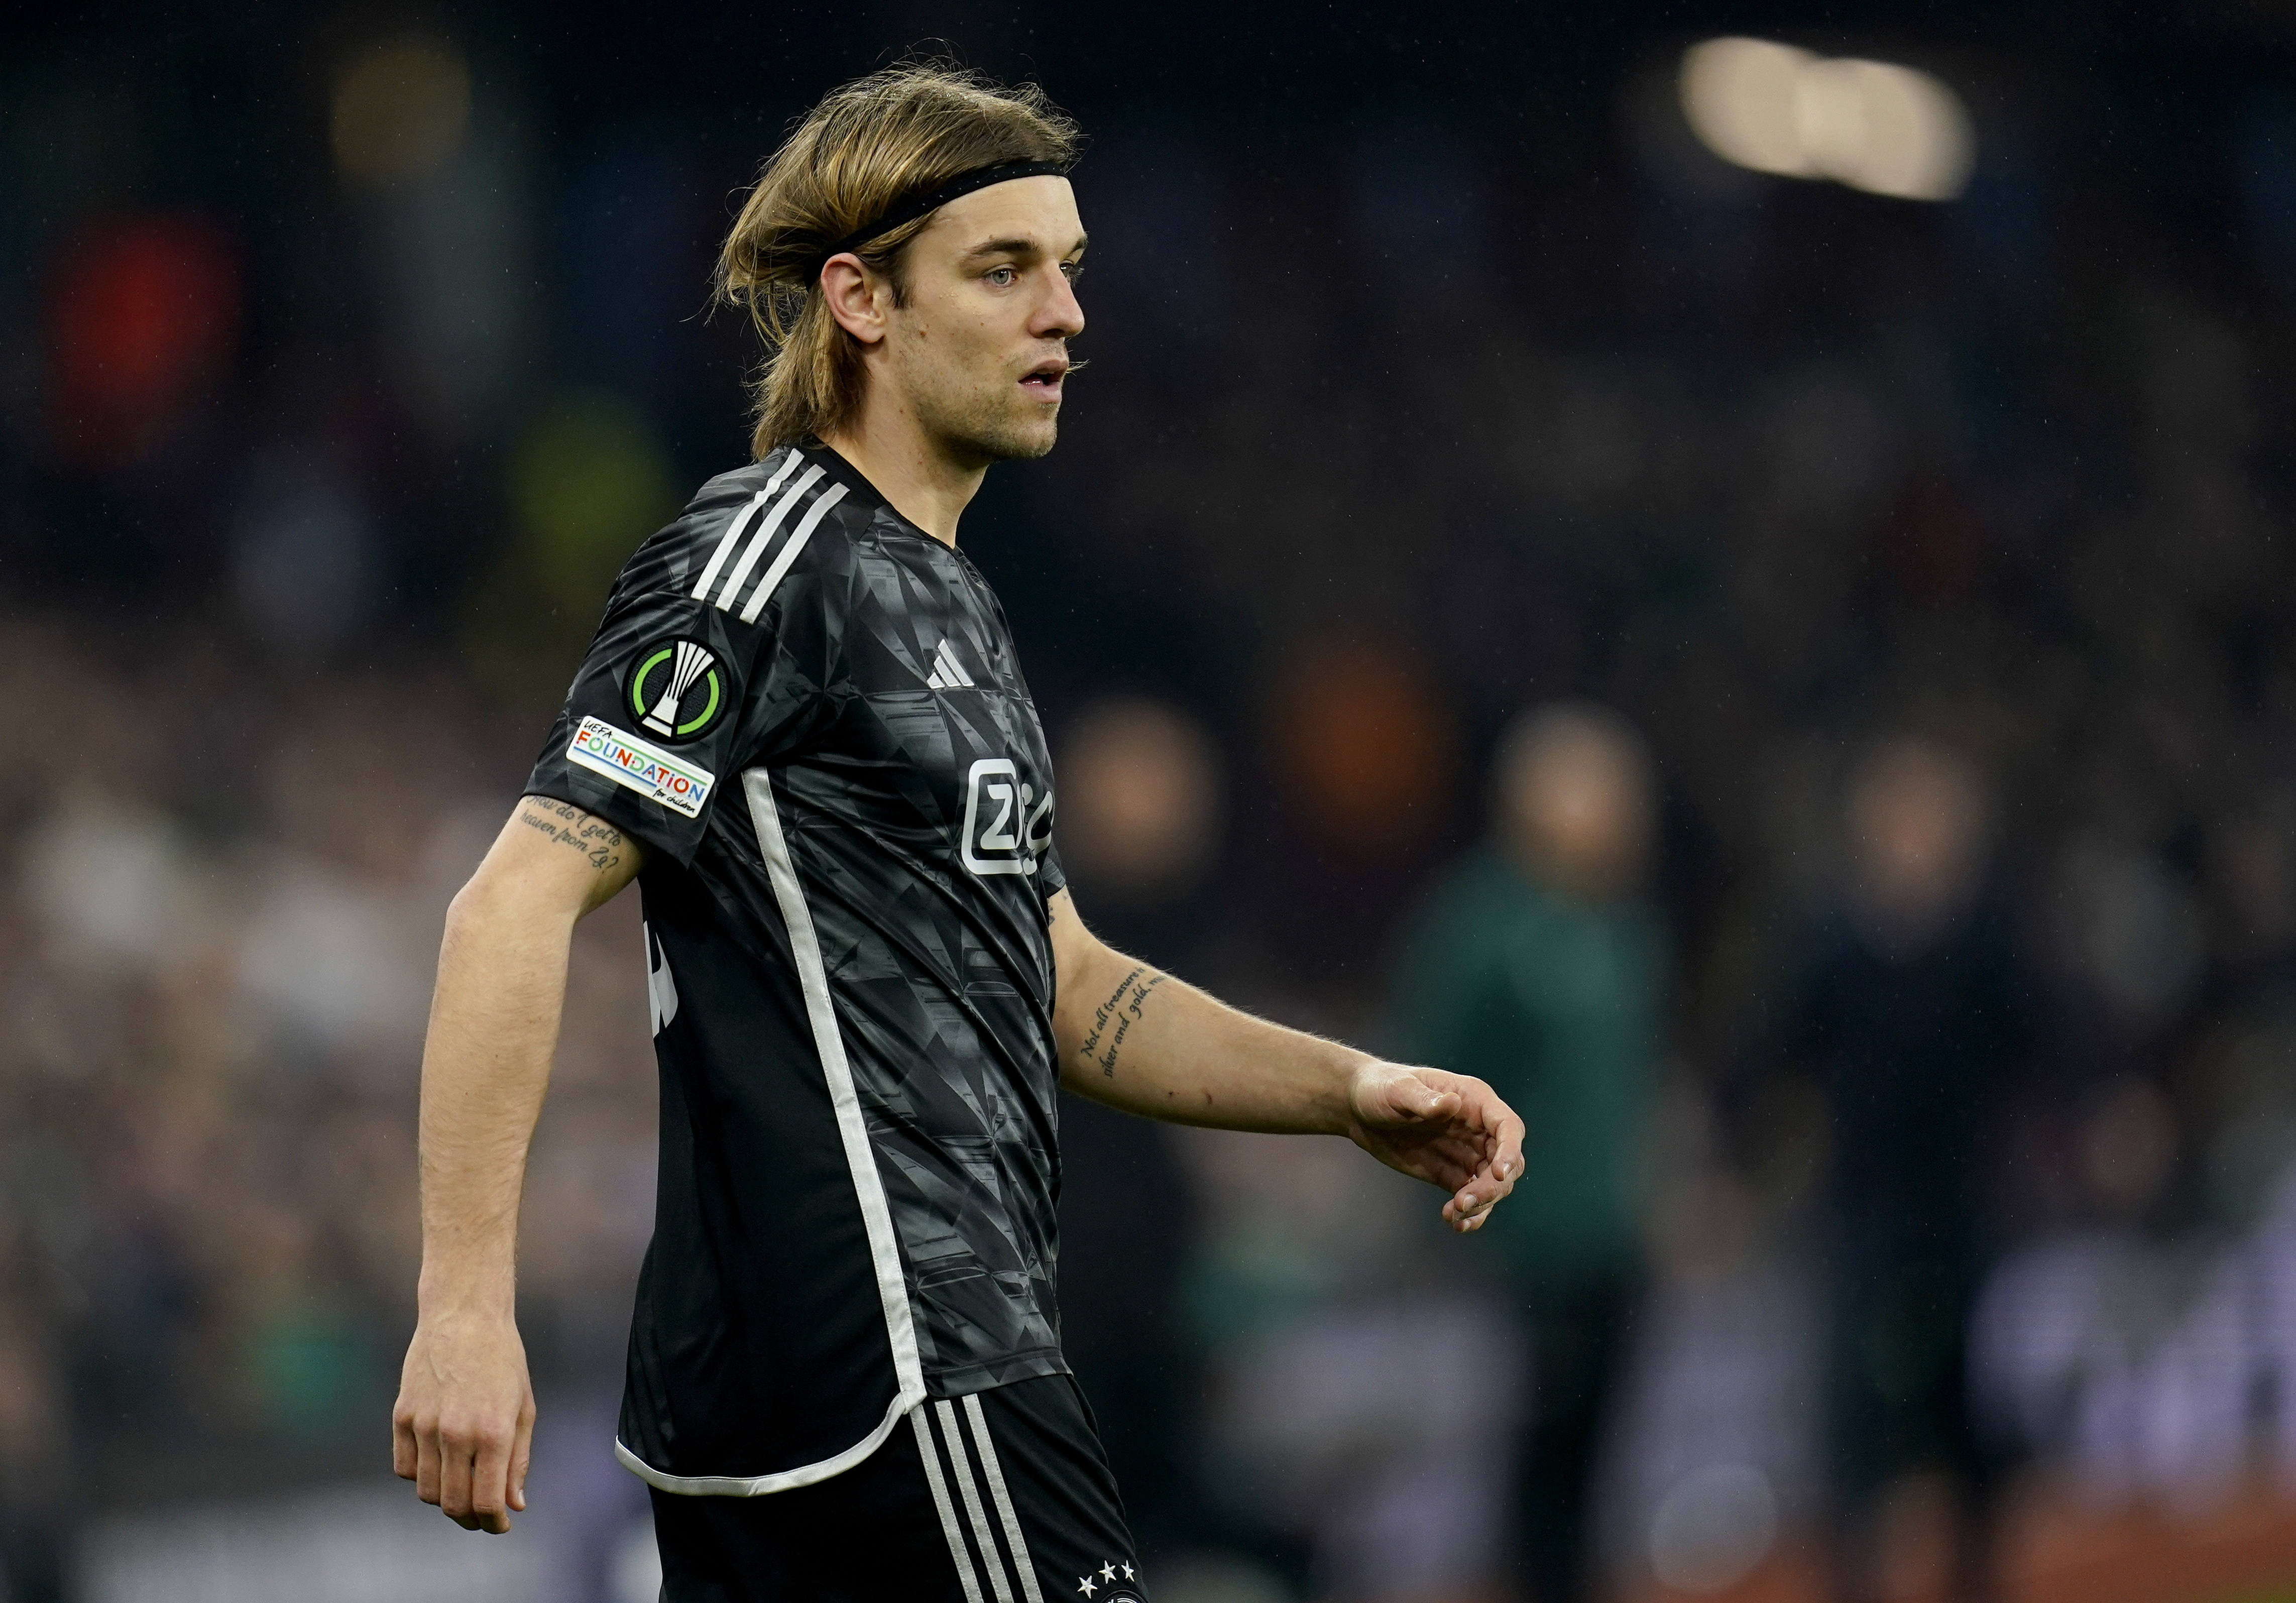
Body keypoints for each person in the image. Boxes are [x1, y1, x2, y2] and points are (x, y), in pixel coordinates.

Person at [388, 63, 1524, 1603]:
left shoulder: (951, 604)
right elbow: (508, 905)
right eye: (1004, 271)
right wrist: (463, 1305)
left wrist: (1348, 1090)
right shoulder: (763, 558)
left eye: (1067, 269)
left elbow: (1063, 986)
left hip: (836, 1387)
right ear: (860, 299)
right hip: (909, 1359)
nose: (1064, 314)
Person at [1388, 704, 1666, 1603]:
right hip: (1515, 1249)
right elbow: (1426, 1073)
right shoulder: (1482, 925)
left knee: (1593, 1473)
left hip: (1613, 1245)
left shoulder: (1628, 931)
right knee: (1518, 1475)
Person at [1785, 737, 2027, 1603]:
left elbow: (2042, 1044)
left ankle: (1975, 1577)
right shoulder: (1836, 941)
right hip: (1863, 1205)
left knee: (1971, 1413)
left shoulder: (1988, 939)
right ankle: (1857, 1583)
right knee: (1857, 1416)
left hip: (1963, 1206)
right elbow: (1774, 1049)